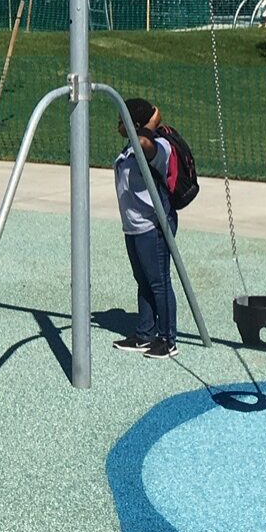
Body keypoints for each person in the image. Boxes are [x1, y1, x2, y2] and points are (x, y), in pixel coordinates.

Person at [112, 98, 180, 360]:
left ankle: (167, 339)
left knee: (159, 282)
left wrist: (149, 123)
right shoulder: (130, 147)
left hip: (153, 225)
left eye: (122, 120)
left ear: (135, 124)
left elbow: (145, 144)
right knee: (143, 281)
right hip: (133, 226)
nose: (117, 125)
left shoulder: (156, 146)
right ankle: (145, 333)